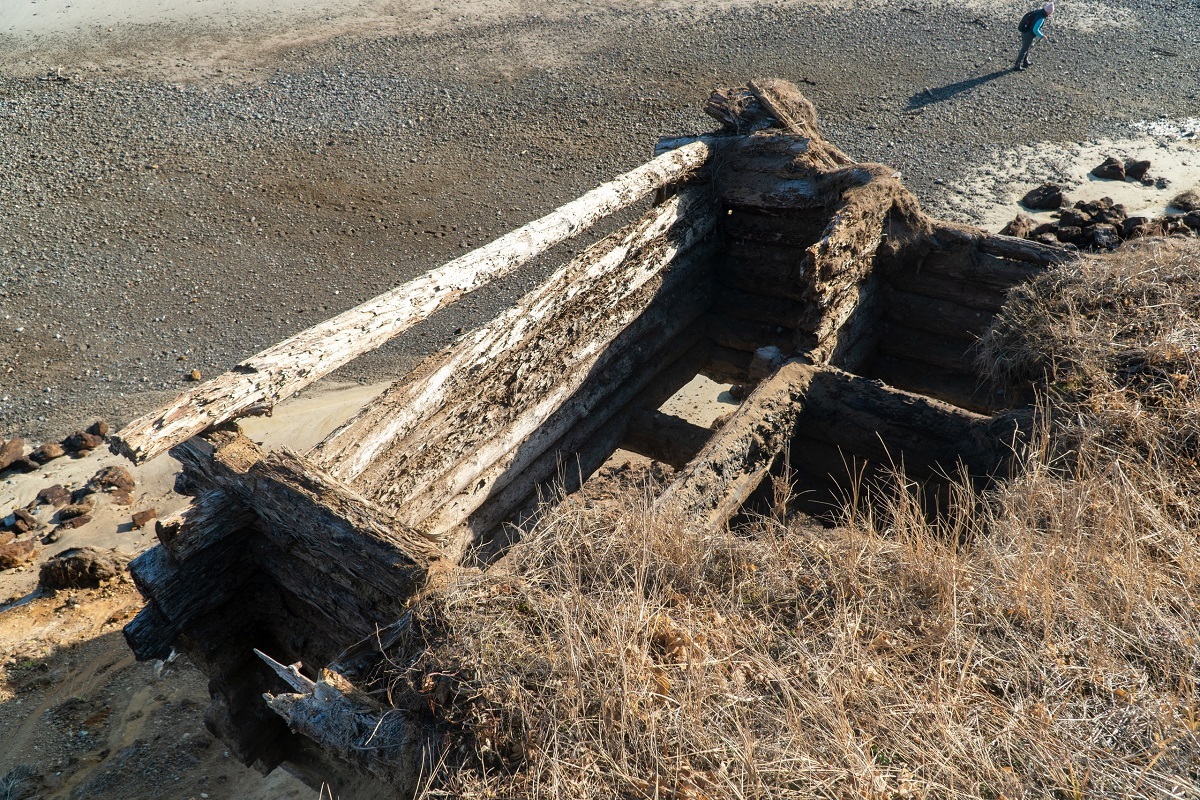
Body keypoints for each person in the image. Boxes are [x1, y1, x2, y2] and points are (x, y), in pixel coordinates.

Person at [1015, 2, 1054, 71]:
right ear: (1048, 12)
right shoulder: (1041, 18)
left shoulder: (1038, 12)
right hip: (1029, 34)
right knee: (1024, 49)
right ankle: (1017, 65)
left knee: (1027, 47)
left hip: (1024, 31)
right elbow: (1035, 29)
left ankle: (1025, 61)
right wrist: (1042, 36)